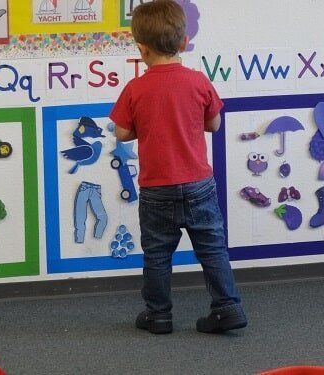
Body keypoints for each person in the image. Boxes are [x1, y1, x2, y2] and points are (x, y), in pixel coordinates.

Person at [109, 0, 247, 334]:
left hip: (157, 188)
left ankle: (158, 315)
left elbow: (123, 132)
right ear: (183, 43)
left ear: (141, 50)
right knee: (212, 248)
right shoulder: (198, 81)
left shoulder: (135, 88)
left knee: (157, 254)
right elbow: (213, 124)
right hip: (199, 184)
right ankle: (227, 308)